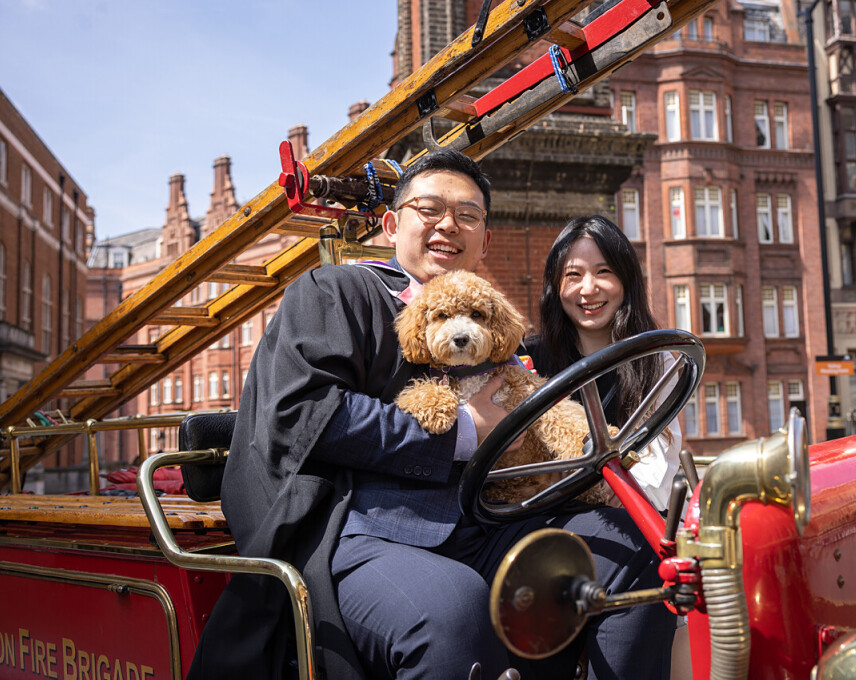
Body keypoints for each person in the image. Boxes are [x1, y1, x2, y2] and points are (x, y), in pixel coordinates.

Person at [188, 151, 673, 680]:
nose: (448, 224)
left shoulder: (492, 329)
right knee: (455, 609)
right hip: (361, 531)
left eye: (468, 215)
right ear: (393, 224)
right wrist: (466, 431)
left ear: (484, 240)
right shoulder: (336, 291)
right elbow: (305, 412)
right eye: (430, 208)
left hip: (485, 522)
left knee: (628, 545)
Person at [524, 215, 683, 511]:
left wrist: (620, 492)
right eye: (573, 275)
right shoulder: (528, 360)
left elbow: (658, 464)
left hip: (625, 508)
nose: (588, 289)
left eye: (603, 271)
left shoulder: (656, 363)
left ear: (625, 280)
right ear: (555, 286)